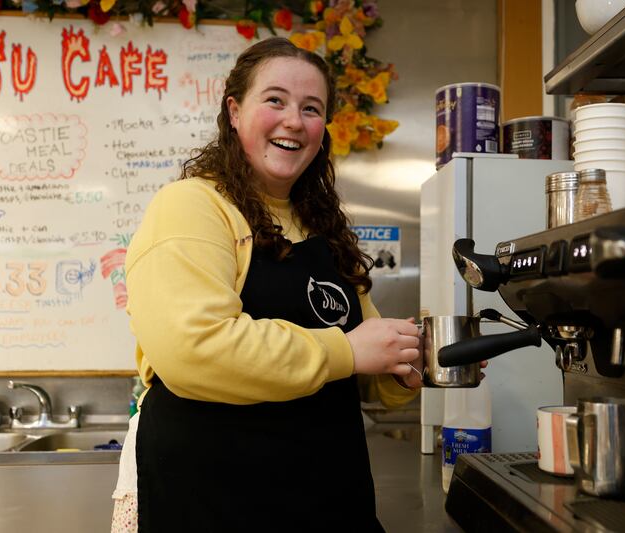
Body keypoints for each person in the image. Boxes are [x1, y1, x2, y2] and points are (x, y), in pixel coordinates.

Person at [113, 37, 426, 532]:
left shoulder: (323, 228)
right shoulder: (192, 206)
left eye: (311, 108)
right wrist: (345, 352)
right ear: (234, 111)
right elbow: (194, 348)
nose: (294, 121)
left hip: (327, 499)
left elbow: (369, 357)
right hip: (215, 500)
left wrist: (408, 365)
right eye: (275, 100)